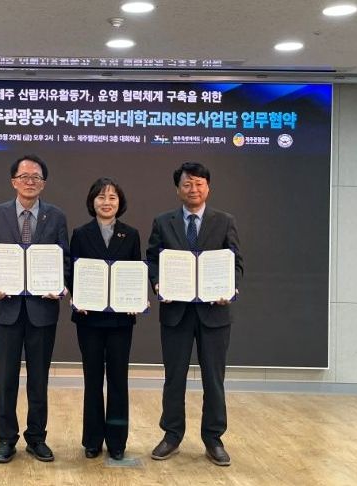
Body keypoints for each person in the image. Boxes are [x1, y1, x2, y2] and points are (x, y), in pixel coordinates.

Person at [146, 162, 243, 467]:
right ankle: (172, 435)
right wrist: (157, 283)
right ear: (178, 189)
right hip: (175, 313)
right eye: (187, 184)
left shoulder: (224, 221)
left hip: (215, 314)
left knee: (214, 379)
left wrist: (230, 288)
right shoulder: (163, 222)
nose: (193, 189)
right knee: (174, 378)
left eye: (199, 184)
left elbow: (236, 263)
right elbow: (152, 260)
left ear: (208, 188)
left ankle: (213, 438)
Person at [0, 154, 70, 464]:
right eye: (24, 176)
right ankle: (6, 439)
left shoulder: (56, 216)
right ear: (13, 181)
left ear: (44, 183)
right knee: (6, 379)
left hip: (42, 309)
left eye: (36, 177)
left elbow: (64, 258)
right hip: (6, 309)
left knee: (39, 379)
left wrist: (61, 284)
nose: (30, 181)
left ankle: (37, 438)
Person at [69, 177, 143, 461]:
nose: (107, 202)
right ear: (92, 202)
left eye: (112, 197)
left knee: (118, 380)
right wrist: (76, 296)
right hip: (89, 319)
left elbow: (136, 272)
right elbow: (73, 272)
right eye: (101, 197)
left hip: (120, 321)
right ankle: (91, 440)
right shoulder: (80, 233)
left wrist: (137, 298)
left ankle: (117, 441)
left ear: (120, 203)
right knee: (92, 380)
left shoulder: (131, 234)